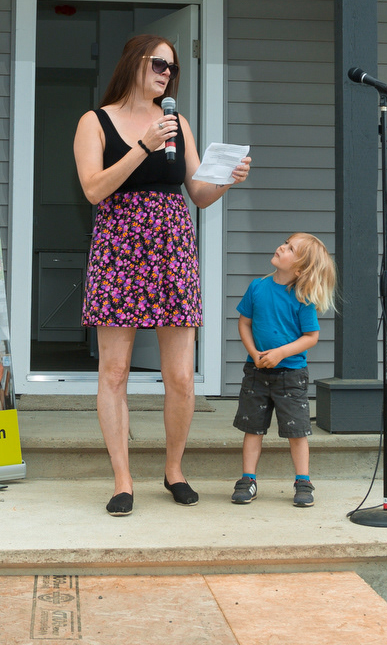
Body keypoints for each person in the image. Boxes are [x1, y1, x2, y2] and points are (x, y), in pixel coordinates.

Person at [73, 33, 252, 516]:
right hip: (119, 251)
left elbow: (197, 193)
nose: (166, 73)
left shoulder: (177, 122)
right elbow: (93, 189)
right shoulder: (95, 121)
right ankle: (122, 480)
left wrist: (226, 180)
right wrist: (141, 146)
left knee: (179, 376)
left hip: (172, 250)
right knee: (114, 372)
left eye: (171, 68)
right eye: (158, 64)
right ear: (134, 62)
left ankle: (174, 470)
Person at [231, 233, 336, 508]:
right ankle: (248, 479)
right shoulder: (257, 287)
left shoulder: (302, 297)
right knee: (253, 428)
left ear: (299, 269)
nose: (281, 246)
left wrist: (280, 353)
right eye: (285, 242)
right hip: (256, 371)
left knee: (296, 431)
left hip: (290, 375)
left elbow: (310, 336)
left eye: (290, 248)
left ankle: (303, 481)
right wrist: (255, 354)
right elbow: (244, 324)